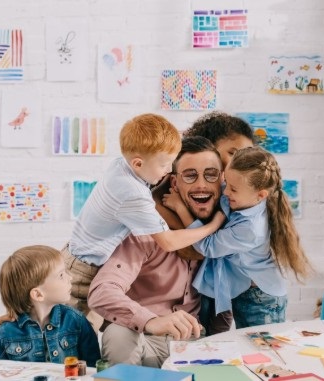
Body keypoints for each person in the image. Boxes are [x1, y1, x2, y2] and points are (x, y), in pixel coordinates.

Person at [63, 113, 223, 328]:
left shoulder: (122, 164)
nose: (168, 171)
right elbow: (168, 242)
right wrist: (212, 226)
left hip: (77, 254)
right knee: (78, 337)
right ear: (138, 163)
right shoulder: (133, 193)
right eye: (165, 165)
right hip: (83, 272)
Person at [88, 136, 224, 368]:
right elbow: (102, 292)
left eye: (210, 175)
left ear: (221, 181)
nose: (202, 184)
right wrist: (152, 320)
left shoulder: (226, 235)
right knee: (118, 333)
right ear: (173, 183)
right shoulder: (146, 232)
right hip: (146, 340)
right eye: (190, 175)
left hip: (196, 345)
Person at [163, 147, 312, 328]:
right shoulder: (244, 196)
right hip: (244, 288)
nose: (225, 192)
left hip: (261, 298)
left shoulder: (251, 229)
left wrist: (180, 207)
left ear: (260, 195)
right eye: (226, 181)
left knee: (260, 349)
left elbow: (207, 246)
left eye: (232, 189)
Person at [180, 111, 255, 334]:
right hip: (195, 287)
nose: (241, 161)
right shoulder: (189, 187)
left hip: (222, 283)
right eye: (233, 153)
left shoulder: (233, 194)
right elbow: (188, 249)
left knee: (220, 332)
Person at [0, 245, 100, 367]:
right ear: (38, 294)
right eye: (61, 275)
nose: (70, 278)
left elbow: (93, 367)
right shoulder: (4, 333)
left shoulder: (76, 321)